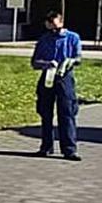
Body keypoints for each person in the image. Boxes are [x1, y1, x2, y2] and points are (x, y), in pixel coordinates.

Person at [31, 11, 83, 161]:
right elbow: (34, 62)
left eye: (56, 26)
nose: (54, 30)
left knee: (67, 112)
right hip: (47, 77)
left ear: (61, 23)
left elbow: (78, 57)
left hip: (65, 78)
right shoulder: (44, 39)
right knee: (45, 112)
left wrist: (70, 62)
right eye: (50, 26)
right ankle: (46, 146)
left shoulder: (73, 38)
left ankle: (69, 149)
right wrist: (46, 64)